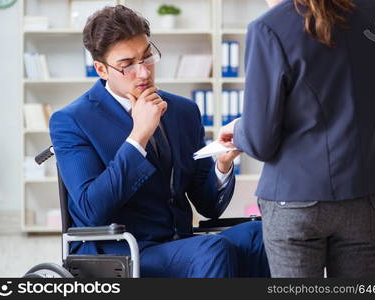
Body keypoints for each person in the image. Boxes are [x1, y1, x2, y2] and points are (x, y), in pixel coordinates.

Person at [49, 5, 269, 278]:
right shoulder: (72, 120)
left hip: (181, 244)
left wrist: (223, 164)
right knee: (211, 250)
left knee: (260, 233)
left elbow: (208, 207)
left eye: (147, 57)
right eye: (127, 65)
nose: (143, 73)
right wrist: (138, 135)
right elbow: (92, 211)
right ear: (101, 70)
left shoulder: (182, 111)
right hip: (121, 251)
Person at [219, 0, 375, 277]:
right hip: (366, 195)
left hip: (296, 201)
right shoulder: (372, 10)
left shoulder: (269, 28)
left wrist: (239, 130)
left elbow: (260, 142)